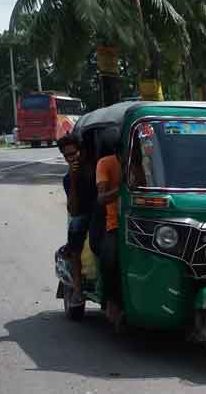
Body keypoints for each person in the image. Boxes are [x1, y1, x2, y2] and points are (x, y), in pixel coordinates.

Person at [59, 133, 95, 306]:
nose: (72, 158)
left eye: (74, 153)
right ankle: (78, 292)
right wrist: (73, 181)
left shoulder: (95, 167)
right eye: (67, 156)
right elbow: (72, 210)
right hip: (82, 215)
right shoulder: (68, 179)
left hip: (100, 212)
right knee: (75, 240)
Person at [95, 127, 123, 326]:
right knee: (110, 259)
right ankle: (111, 301)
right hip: (116, 224)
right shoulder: (106, 163)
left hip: (145, 222)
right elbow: (102, 198)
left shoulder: (146, 161)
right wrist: (123, 189)